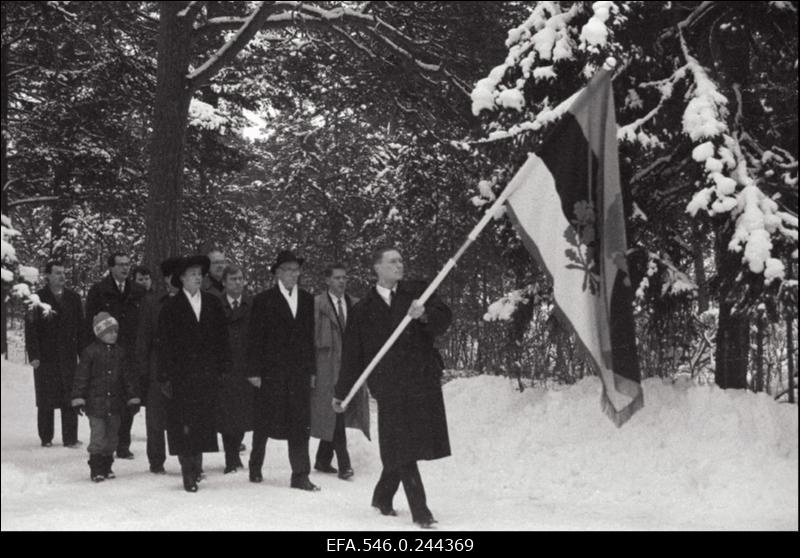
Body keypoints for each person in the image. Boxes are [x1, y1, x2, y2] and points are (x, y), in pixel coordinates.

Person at [334, 247, 452, 528]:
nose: (400, 265)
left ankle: (383, 497)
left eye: (401, 260)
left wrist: (424, 314)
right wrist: (342, 392)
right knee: (402, 443)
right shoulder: (362, 309)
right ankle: (420, 510)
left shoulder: (418, 292)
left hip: (420, 380)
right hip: (388, 386)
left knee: (404, 443)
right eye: (392, 261)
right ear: (377, 267)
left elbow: (444, 317)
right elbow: (353, 355)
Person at [157, 255, 231, 492]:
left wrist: (223, 367)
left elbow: (222, 339)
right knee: (183, 423)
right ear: (181, 279)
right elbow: (164, 344)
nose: (197, 278)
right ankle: (187, 472)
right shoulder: (170, 306)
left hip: (206, 374)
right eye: (192, 274)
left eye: (200, 274)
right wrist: (164, 376)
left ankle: (197, 467)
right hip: (181, 375)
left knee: (201, 422)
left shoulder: (212, 302)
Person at [247, 250, 319, 491]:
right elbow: (254, 339)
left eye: (295, 270)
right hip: (271, 371)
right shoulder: (263, 300)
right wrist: (254, 371)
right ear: (277, 273)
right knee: (264, 419)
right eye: (286, 270)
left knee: (300, 422)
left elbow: (310, 338)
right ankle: (255, 465)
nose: (291, 274)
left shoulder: (308, 300)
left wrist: (311, 370)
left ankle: (300, 474)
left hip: (298, 373)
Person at [84, 252, 146, 459]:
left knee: (129, 399)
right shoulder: (99, 291)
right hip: (106, 354)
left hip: (130, 352)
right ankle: (103, 443)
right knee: (108, 400)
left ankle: (123, 443)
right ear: (111, 267)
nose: (125, 268)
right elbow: (89, 323)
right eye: (120, 265)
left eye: (128, 264)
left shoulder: (138, 291)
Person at [310, 263, 369, 480]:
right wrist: (311, 370)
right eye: (337, 278)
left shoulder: (354, 304)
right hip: (325, 366)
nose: (342, 281)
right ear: (327, 280)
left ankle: (323, 459)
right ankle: (344, 463)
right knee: (334, 409)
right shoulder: (317, 304)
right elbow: (309, 340)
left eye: (344, 277)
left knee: (338, 409)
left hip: (348, 366)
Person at [71, 312, 141, 482]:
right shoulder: (90, 352)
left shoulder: (121, 353)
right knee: (98, 436)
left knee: (112, 437)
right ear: (99, 333)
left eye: (115, 332)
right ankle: (96, 467)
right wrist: (79, 397)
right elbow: (81, 377)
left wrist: (133, 397)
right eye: (109, 332)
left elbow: (127, 378)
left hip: (116, 404)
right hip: (96, 404)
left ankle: (107, 465)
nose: (113, 335)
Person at [25, 261, 85, 448]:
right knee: (46, 398)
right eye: (57, 273)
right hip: (46, 356)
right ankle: (46, 437)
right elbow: (31, 328)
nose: (62, 276)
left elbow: (80, 328)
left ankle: (70, 438)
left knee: (70, 396)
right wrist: (34, 354)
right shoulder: (38, 298)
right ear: (48, 276)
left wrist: (83, 355)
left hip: (68, 355)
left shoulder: (73, 298)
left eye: (63, 273)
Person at [135, 256, 181, 474]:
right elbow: (143, 338)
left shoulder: (191, 301)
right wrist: (142, 370)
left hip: (183, 366)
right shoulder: (152, 302)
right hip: (156, 364)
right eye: (172, 277)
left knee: (183, 414)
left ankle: (186, 458)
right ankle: (156, 460)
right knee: (155, 416)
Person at [216, 265, 254, 473]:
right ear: (224, 283)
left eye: (240, 278)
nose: (238, 283)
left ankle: (235, 452)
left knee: (243, 412)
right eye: (233, 279)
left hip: (245, 366)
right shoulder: (216, 304)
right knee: (226, 414)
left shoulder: (251, 304)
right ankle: (231, 457)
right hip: (225, 366)